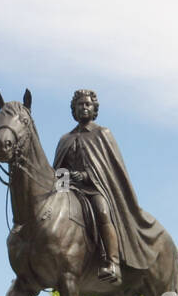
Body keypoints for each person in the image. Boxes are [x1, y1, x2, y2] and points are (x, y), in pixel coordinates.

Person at [53, 89, 160, 282]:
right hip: (69, 191)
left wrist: (85, 175)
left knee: (102, 211)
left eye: (87, 104)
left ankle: (113, 262)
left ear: (94, 109)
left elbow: (109, 170)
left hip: (95, 188)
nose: (84, 107)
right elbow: (58, 172)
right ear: (74, 110)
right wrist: (64, 181)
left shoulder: (102, 134)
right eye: (80, 105)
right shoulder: (65, 140)